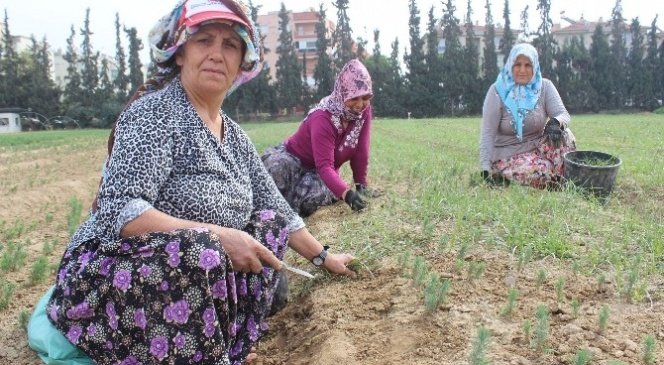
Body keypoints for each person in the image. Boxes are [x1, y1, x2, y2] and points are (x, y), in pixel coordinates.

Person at [27, 1, 357, 364]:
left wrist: (324, 258)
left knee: (267, 227)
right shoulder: (153, 114)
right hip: (115, 270)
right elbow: (122, 211)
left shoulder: (235, 137)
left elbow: (276, 207)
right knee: (204, 249)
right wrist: (216, 235)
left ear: (242, 64)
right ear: (180, 53)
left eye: (230, 45)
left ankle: (225, 343)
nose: (217, 53)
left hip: (195, 272)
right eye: (204, 40)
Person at [261, 59, 381, 217]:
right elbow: (324, 165)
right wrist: (347, 195)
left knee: (311, 197)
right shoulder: (323, 118)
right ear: (343, 93)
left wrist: (360, 185)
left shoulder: (363, 113)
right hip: (294, 159)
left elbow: (361, 150)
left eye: (365, 98)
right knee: (276, 169)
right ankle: (269, 209)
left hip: (319, 172)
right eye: (354, 98)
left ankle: (289, 208)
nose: (360, 104)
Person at [479, 43, 577, 189]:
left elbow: (562, 114)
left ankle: (560, 180)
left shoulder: (544, 86)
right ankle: (552, 177)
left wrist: (556, 122)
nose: (522, 70)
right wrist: (485, 170)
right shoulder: (497, 91)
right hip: (508, 155)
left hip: (538, 148)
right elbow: (487, 132)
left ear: (535, 66)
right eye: (518, 64)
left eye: (528, 65)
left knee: (566, 135)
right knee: (539, 173)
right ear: (510, 66)